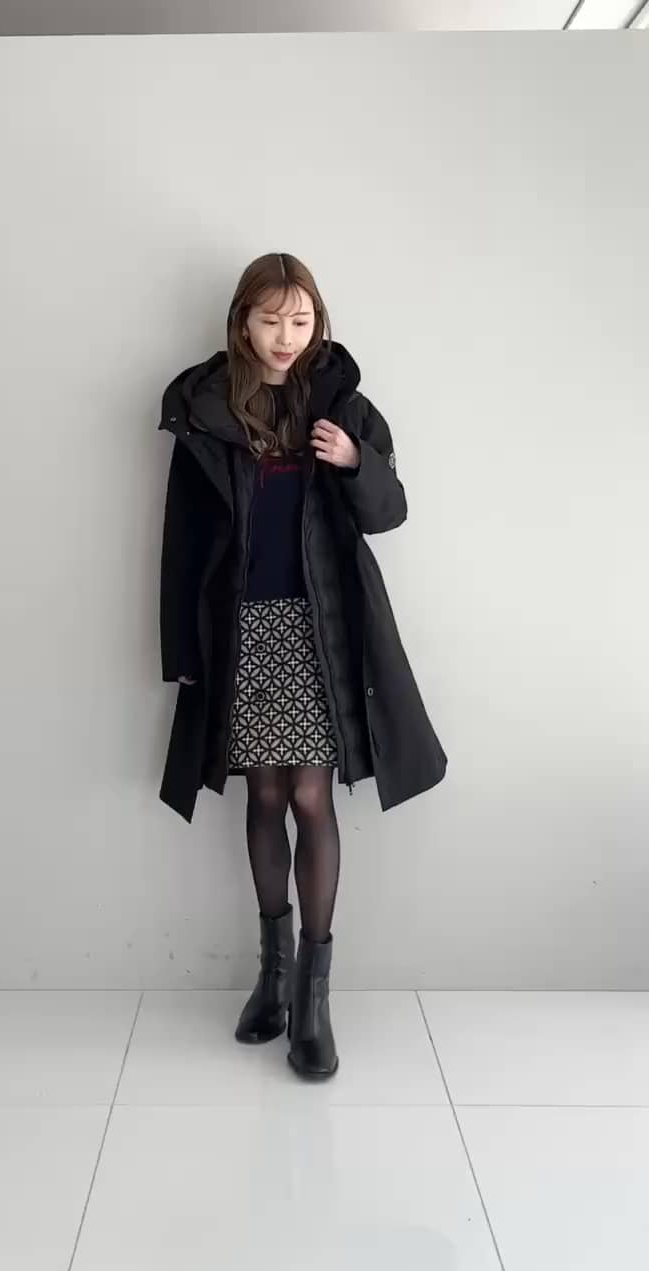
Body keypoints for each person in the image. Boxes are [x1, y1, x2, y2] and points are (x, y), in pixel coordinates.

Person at [157, 252, 447, 1080]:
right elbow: (183, 542)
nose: (286, 336)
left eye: (300, 319)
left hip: (320, 632)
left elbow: (389, 514)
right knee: (265, 795)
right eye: (270, 319)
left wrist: (356, 462)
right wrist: (181, 651)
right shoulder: (210, 411)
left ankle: (314, 1001)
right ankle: (273, 978)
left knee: (311, 797)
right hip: (243, 630)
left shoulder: (343, 406)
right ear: (242, 322)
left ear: (317, 322)